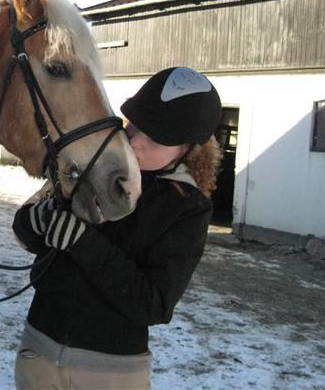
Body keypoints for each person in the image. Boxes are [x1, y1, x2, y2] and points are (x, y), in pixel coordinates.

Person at [12, 66, 223, 390]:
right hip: (38, 351)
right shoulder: (90, 164)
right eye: (133, 127)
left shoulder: (187, 207)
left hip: (110, 372)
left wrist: (82, 243)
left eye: (154, 139)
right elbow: (25, 225)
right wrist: (37, 220)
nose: (135, 142)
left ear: (187, 149)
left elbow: (153, 303)